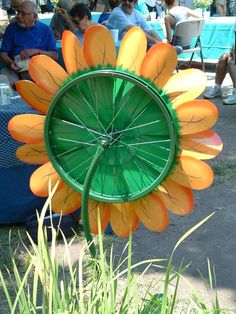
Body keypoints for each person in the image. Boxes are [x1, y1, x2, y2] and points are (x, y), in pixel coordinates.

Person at [0, 0, 58, 87]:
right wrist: (11, 63)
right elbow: (3, 53)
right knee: (3, 79)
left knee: (54, 78)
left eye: (23, 13)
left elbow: (55, 56)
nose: (19, 16)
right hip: (16, 71)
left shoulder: (46, 30)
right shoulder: (11, 28)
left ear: (34, 16)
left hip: (40, 71)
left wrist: (36, 51)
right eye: (18, 12)